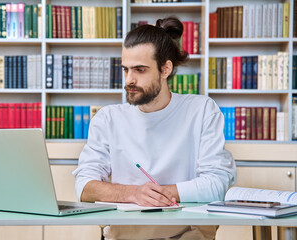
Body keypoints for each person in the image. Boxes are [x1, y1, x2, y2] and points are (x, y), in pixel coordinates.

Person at [73, 16, 236, 240]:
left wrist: (160, 193)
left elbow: (217, 184)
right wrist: (134, 193)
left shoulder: (201, 110)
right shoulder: (107, 118)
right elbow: (84, 187)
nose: (129, 80)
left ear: (165, 68)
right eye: (126, 70)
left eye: (140, 70)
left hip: (187, 231)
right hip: (127, 232)